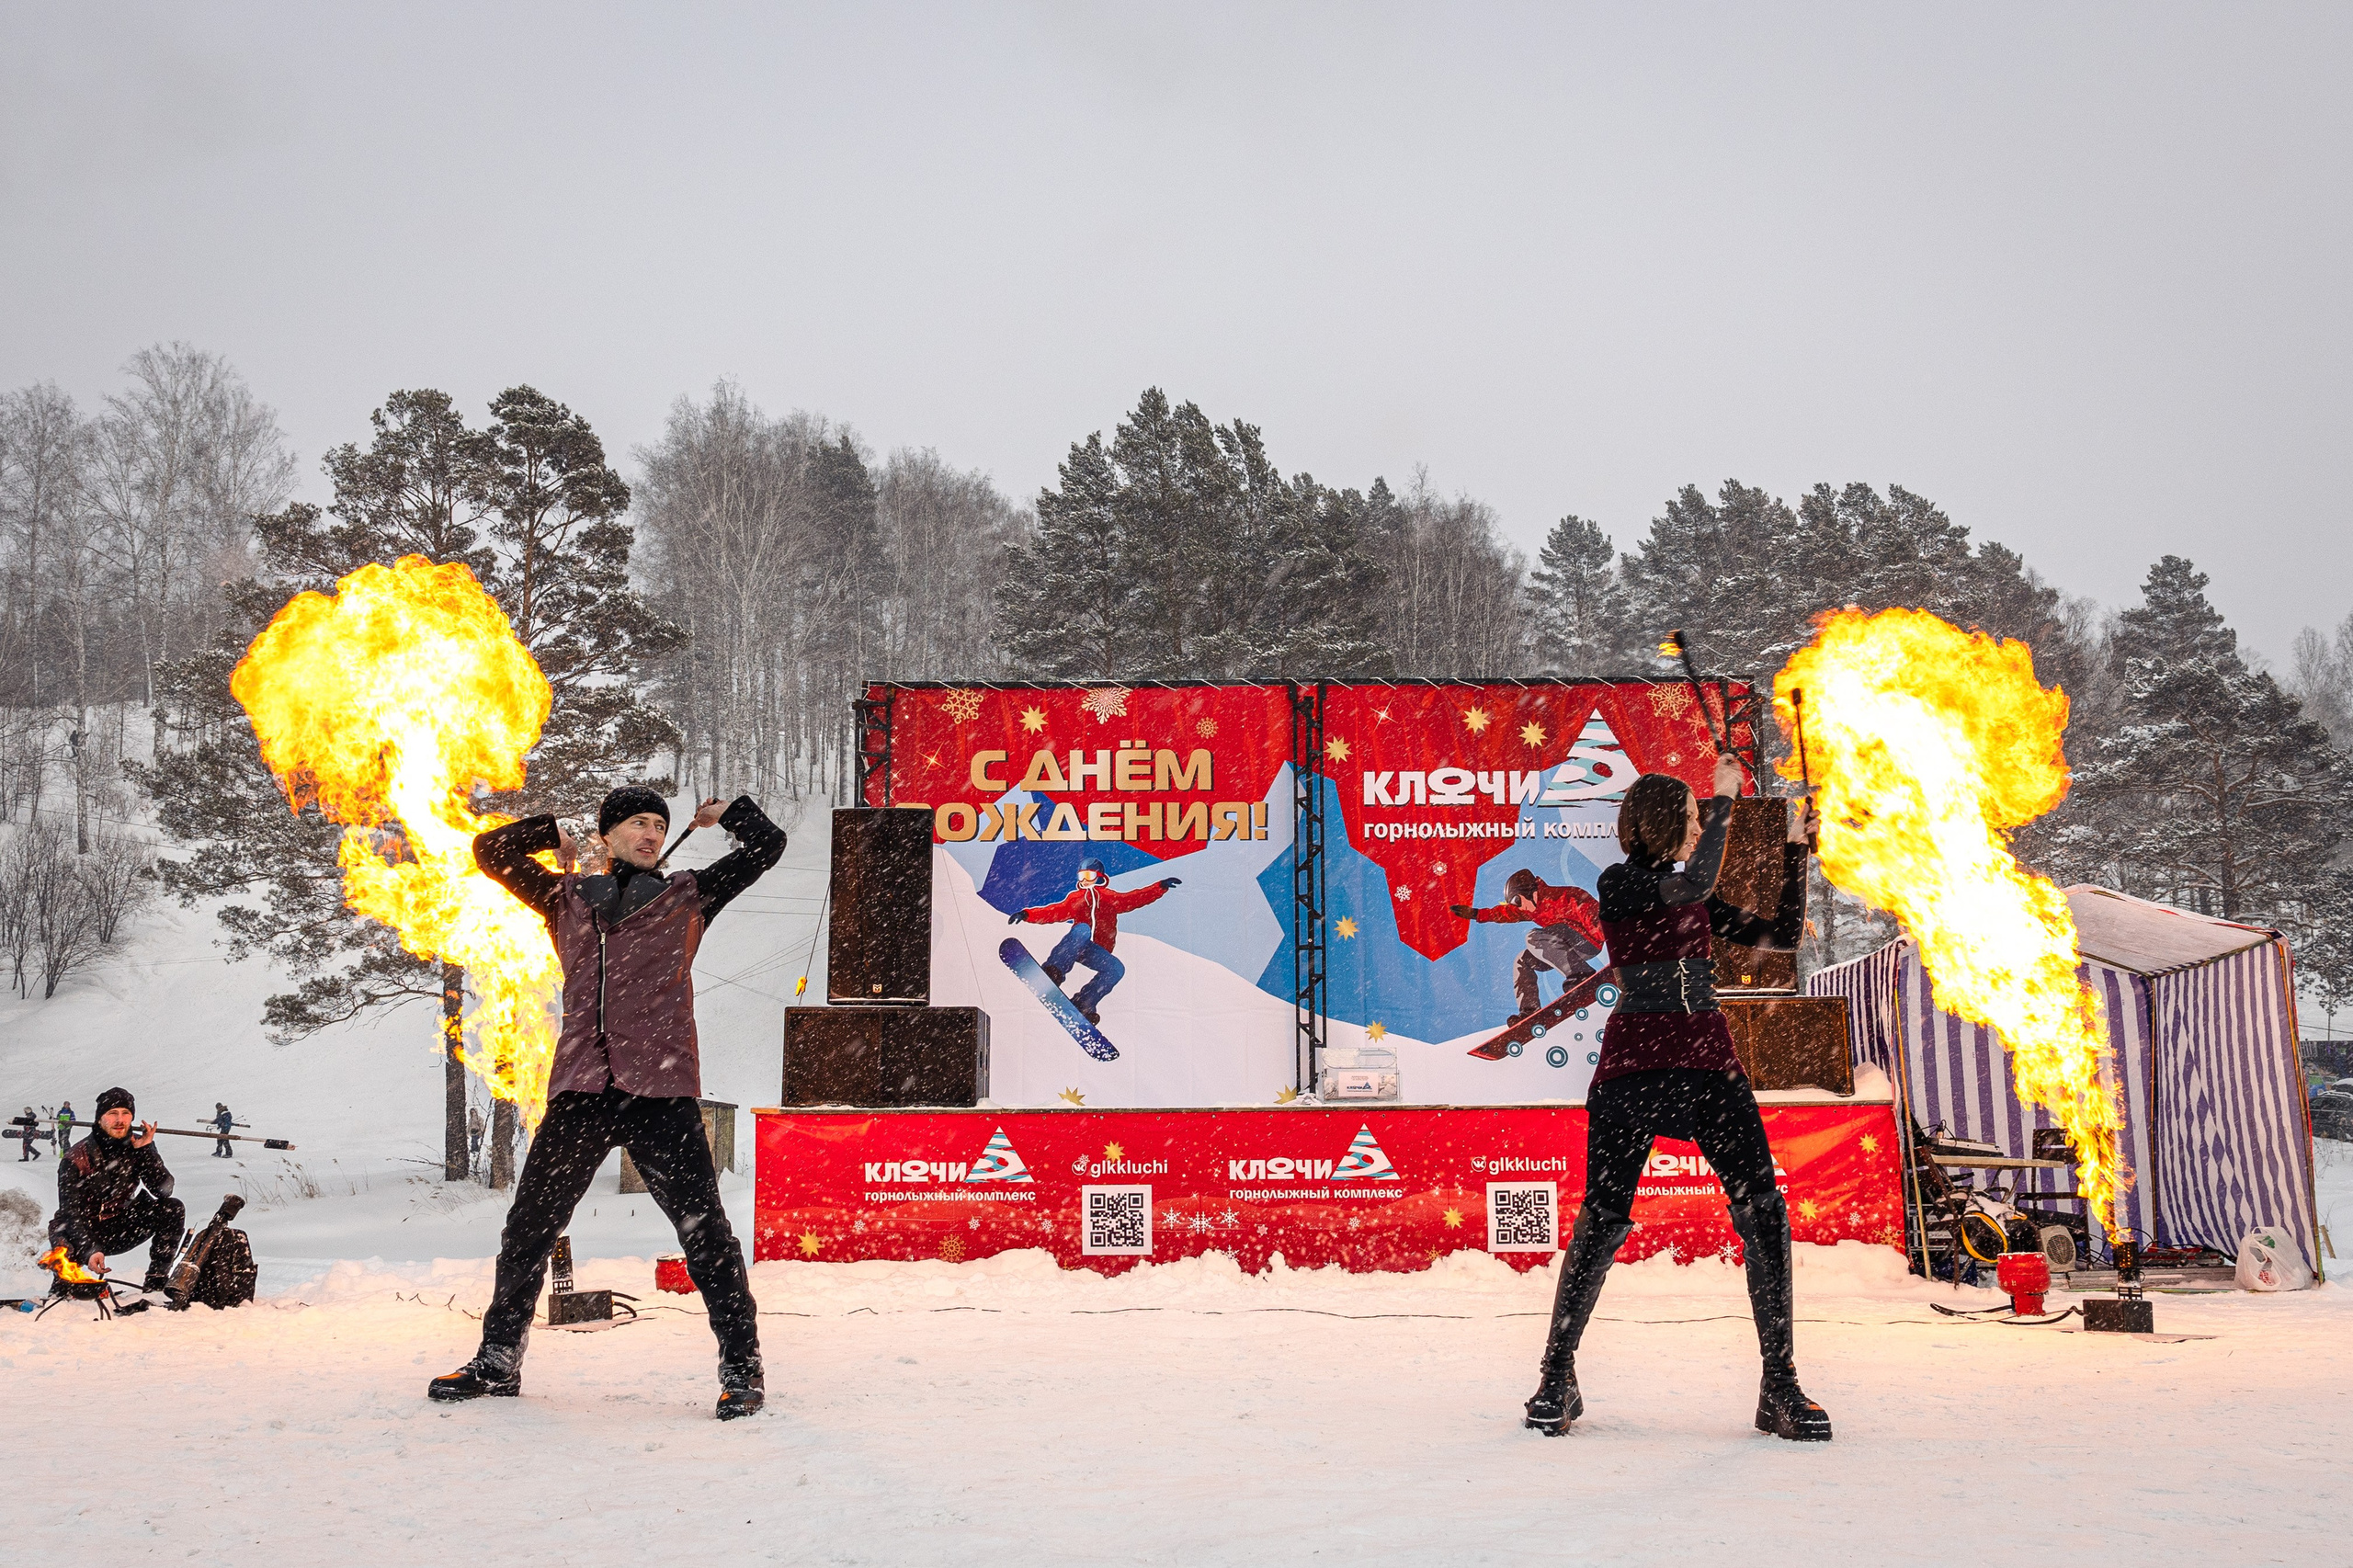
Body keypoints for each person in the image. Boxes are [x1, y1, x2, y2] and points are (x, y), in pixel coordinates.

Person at [432, 787, 785, 1419]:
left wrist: (726, 814)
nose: (650, 833)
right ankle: (498, 1360)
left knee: (706, 1235)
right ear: (608, 834)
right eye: (636, 823)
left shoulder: (689, 895)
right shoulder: (564, 898)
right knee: (528, 1229)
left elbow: (767, 846)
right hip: (582, 1089)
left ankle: (742, 1368)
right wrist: (552, 838)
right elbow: (490, 850)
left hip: (661, 1088)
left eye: (659, 825)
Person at [1523, 755, 1830, 1441]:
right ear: (1666, 822)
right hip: (1637, 1063)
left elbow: (1776, 936)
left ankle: (1779, 1385)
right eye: (1691, 820)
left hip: (1707, 1061)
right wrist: (1725, 801)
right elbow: (1691, 878)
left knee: (1763, 1209)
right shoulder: (1622, 881)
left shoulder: (1691, 896)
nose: (1697, 830)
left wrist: (1795, 850)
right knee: (1603, 1217)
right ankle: (1556, 1377)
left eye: (1701, 821)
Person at [1006, 858, 1181, 1024]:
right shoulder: (1076, 898)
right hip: (1075, 944)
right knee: (1082, 929)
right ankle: (1054, 970)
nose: (1084, 880)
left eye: (1089, 876)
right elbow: (1054, 911)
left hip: (1095, 950)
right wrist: (1027, 914)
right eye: (1081, 876)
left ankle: (1084, 1003)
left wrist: (1159, 887)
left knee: (1117, 969)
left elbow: (1134, 898)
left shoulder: (1109, 898)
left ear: (1100, 877)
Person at [48, 1087, 185, 1293]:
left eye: (125, 1113)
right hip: (81, 1229)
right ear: (100, 1118)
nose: (120, 1120)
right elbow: (70, 1212)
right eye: (112, 1114)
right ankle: (63, 1288)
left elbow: (164, 1190)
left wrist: (146, 1152)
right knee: (67, 1280)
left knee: (172, 1208)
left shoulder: (139, 1145)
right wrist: (90, 1249)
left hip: (119, 1225)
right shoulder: (75, 1158)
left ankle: (156, 1282)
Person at [1449, 869, 1606, 1022]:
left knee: (1534, 937)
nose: (1519, 908)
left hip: (1587, 941)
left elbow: (1597, 920)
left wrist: (1617, 944)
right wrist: (1476, 914)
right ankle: (1529, 1012)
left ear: (1531, 892)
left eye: (1518, 901)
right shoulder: (1530, 908)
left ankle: (1581, 976)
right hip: (1566, 950)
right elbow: (1505, 913)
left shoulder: (1566, 896)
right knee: (1522, 960)